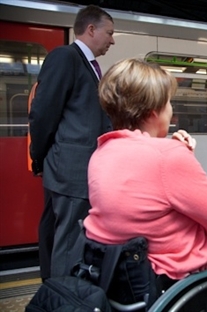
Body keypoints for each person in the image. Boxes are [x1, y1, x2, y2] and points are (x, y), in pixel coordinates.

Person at [82, 58, 207, 281]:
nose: (171, 110)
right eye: (168, 102)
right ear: (154, 112)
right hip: (165, 274)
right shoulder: (168, 155)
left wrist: (177, 152)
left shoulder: (101, 152)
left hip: (121, 272)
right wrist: (179, 155)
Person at [28, 5, 115, 280]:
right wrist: (39, 157)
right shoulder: (65, 57)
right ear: (91, 29)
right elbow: (43, 112)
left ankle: (59, 292)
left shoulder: (88, 65)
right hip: (69, 170)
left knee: (64, 238)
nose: (112, 40)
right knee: (67, 244)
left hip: (74, 170)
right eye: (109, 33)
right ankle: (61, 300)